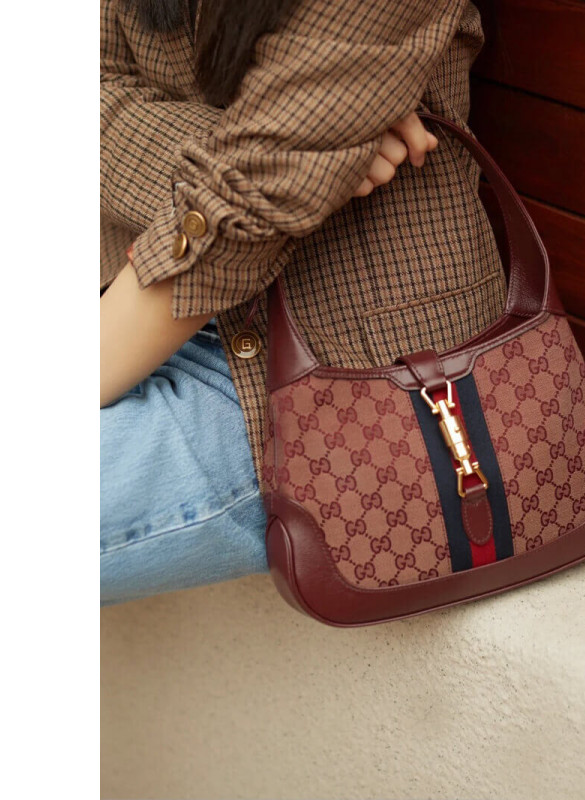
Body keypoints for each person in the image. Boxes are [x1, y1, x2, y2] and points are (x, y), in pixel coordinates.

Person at [100, 0, 506, 604]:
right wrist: (301, 158)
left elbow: (256, 186)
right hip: (134, 297)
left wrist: (285, 162)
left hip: (343, 371)